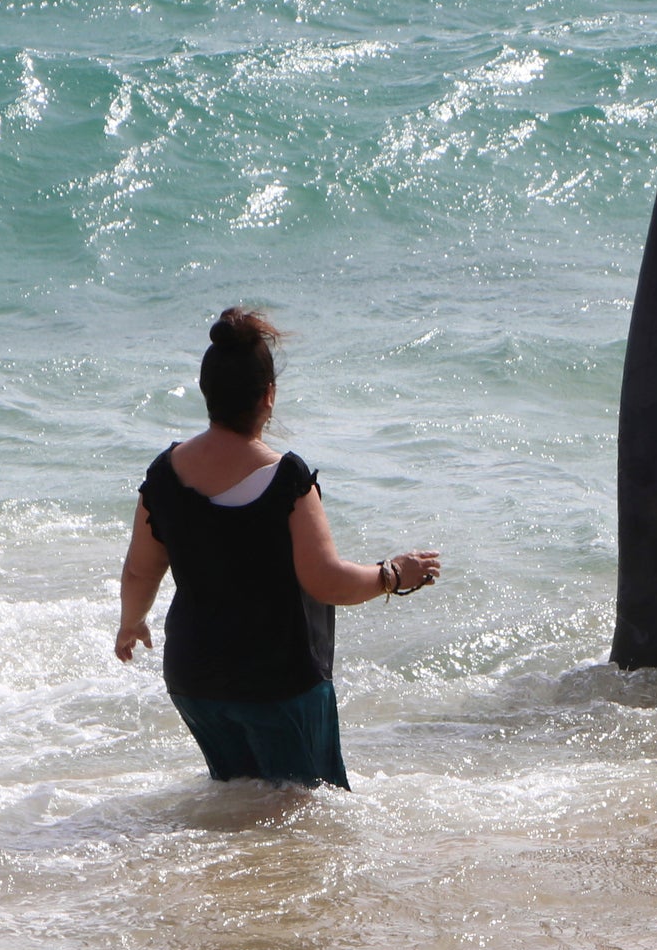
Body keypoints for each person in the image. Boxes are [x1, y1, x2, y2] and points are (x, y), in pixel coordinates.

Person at [116, 308, 439, 789]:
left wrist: (131, 622)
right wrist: (392, 574)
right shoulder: (287, 479)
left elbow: (141, 573)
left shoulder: (163, 474)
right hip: (278, 681)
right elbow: (325, 580)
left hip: (195, 679)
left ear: (209, 394)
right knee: (304, 816)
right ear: (268, 395)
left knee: (239, 807)